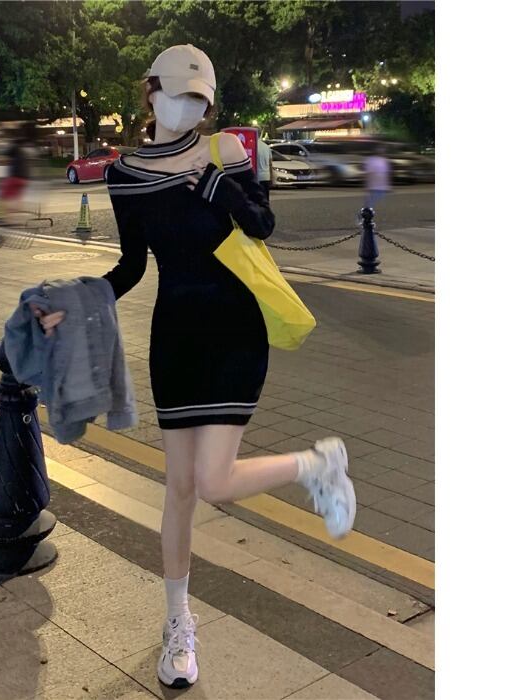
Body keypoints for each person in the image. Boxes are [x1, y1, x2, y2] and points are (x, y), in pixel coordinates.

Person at [33, 44, 356, 690]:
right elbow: (132, 266)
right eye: (182, 96)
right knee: (179, 488)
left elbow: (263, 224)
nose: (191, 109)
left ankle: (315, 466)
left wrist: (218, 187)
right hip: (176, 336)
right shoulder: (125, 174)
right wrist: (78, 301)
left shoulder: (224, 151)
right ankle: (178, 625)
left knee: (213, 481)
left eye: (201, 101)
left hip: (235, 328)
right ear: (152, 91)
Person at [0, 136, 30, 223]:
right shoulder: (24, 151)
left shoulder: (14, 147)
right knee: (16, 198)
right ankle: (17, 219)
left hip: (14, 177)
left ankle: (9, 219)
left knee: (4, 197)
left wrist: (2, 161)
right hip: (25, 179)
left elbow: (1, 157)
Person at [363, 142, 391, 211]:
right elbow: (369, 173)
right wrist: (367, 185)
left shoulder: (384, 160)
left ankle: (365, 213)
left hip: (381, 187)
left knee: (372, 202)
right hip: (374, 187)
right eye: (380, 149)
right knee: (370, 203)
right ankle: (364, 214)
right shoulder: (371, 160)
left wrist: (388, 185)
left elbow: (386, 174)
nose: (382, 151)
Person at [256, 131, 273, 199]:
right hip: (266, 176)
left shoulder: (253, 146)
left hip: (257, 177)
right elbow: (270, 163)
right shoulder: (266, 147)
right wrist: (271, 177)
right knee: (265, 198)